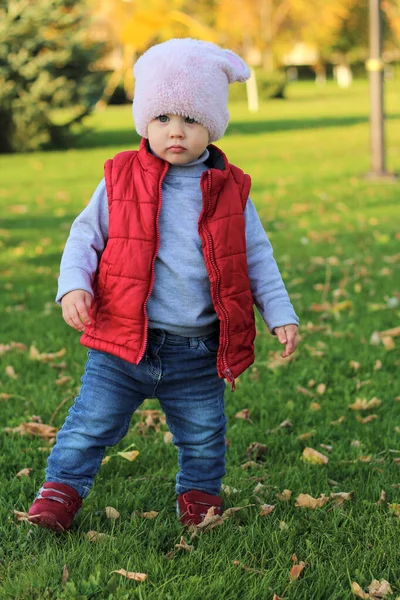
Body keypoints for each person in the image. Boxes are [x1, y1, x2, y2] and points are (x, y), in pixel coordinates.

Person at [28, 38, 299, 532]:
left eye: (191, 120)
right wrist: (73, 285)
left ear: (212, 125)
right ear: (144, 121)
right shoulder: (120, 178)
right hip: (124, 341)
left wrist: (280, 312)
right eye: (163, 119)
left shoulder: (231, 190)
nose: (176, 132)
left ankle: (198, 497)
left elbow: (256, 256)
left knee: (203, 434)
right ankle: (60, 491)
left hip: (196, 349)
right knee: (90, 424)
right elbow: (85, 236)